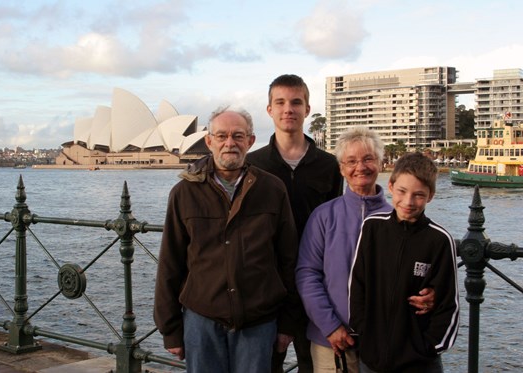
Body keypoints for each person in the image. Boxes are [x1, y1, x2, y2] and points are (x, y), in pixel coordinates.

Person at [154, 106, 300, 373]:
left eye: (238, 136)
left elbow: (289, 259)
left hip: (259, 319)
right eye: (221, 136)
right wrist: (170, 329)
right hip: (202, 319)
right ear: (209, 141)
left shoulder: (272, 189)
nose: (229, 143)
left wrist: (289, 322)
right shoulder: (184, 193)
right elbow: (170, 264)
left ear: (251, 141)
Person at [296, 127, 436, 373]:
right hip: (331, 342)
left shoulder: (400, 217)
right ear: (341, 169)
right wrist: (330, 325)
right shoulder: (324, 216)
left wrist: (432, 292)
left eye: (368, 159)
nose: (360, 167)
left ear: (381, 164)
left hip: (387, 342)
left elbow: (422, 267)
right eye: (351, 161)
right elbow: (307, 274)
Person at [247, 74, 343, 373]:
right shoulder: (253, 164)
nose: (288, 109)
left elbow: (336, 225)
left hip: (314, 281)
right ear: (269, 110)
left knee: (311, 363)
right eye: (281, 102)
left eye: (296, 102)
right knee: (264, 363)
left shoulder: (329, 165)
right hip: (266, 282)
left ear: (307, 108)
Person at [349, 152, 460, 373]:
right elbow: (358, 284)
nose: (408, 202)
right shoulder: (372, 228)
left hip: (419, 362)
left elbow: (449, 303)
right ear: (390, 187)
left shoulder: (439, 240)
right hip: (373, 358)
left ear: (430, 196)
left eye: (418, 195)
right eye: (402, 191)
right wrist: (363, 332)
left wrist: (428, 347)